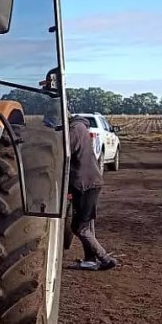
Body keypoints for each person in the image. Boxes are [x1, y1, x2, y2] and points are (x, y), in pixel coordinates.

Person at [68, 114, 117, 270]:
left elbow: (65, 150)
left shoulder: (75, 129)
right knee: (88, 225)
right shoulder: (82, 128)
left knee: (79, 227)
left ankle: (105, 259)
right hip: (92, 182)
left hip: (84, 183)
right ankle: (89, 260)